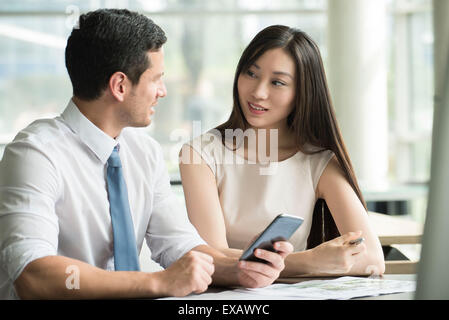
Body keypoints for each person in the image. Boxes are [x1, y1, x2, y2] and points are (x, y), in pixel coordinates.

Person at [0, 10, 293, 300]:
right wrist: (155, 282)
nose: (163, 91)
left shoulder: (144, 152)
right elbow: (32, 275)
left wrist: (240, 267)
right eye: (156, 79)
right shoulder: (35, 154)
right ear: (120, 86)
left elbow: (179, 245)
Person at [180, 25, 385, 277]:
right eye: (251, 73)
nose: (258, 92)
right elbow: (211, 255)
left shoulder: (317, 161)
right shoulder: (200, 154)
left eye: (277, 82)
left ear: (302, 93)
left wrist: (308, 262)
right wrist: (308, 262)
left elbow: (373, 258)